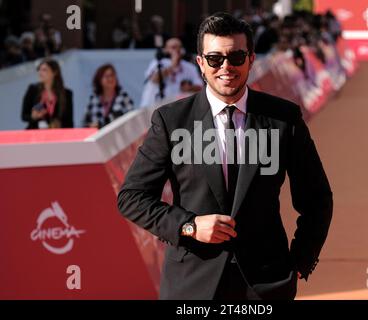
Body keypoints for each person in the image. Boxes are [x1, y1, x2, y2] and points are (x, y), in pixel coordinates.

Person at [118, 12, 333, 300]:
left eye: (236, 57)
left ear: (251, 59)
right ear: (200, 63)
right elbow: (132, 197)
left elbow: (317, 198)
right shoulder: (171, 121)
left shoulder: (284, 118)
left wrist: (299, 262)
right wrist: (189, 225)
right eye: (215, 59)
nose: (226, 67)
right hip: (191, 285)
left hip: (266, 284)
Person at [139, 37, 203, 108]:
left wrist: (190, 88)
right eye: (173, 47)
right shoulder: (158, 63)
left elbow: (200, 87)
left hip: (174, 109)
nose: (177, 50)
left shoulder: (190, 67)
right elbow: (154, 79)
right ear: (166, 50)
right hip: (152, 106)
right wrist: (172, 66)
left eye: (180, 47)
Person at [21, 58, 73, 129]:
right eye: (39, 70)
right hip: (35, 135)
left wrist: (59, 124)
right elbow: (24, 116)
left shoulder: (67, 94)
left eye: (44, 70)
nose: (40, 72)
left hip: (56, 136)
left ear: (55, 72)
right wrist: (33, 117)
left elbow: (69, 122)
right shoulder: (32, 89)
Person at [83, 64, 134, 129]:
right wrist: (90, 125)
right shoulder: (93, 99)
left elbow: (132, 120)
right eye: (107, 76)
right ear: (99, 80)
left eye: (112, 75)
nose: (110, 79)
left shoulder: (124, 97)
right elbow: (85, 121)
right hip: (96, 136)